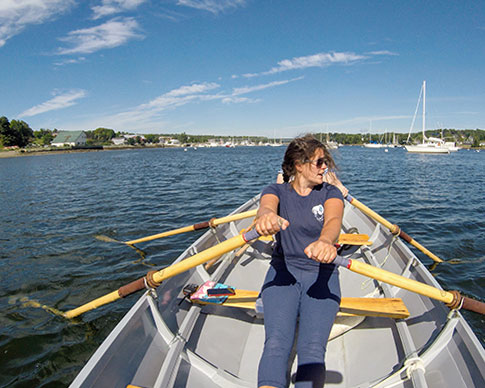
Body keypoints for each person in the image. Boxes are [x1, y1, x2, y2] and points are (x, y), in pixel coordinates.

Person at [255, 134, 344, 388]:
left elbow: (334, 222)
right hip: (284, 271)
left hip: (322, 273)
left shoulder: (331, 192)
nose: (324, 167)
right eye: (318, 162)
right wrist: (266, 217)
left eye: (325, 161)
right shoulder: (276, 190)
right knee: (275, 342)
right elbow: (266, 207)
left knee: (312, 349)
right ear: (298, 163)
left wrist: (326, 242)